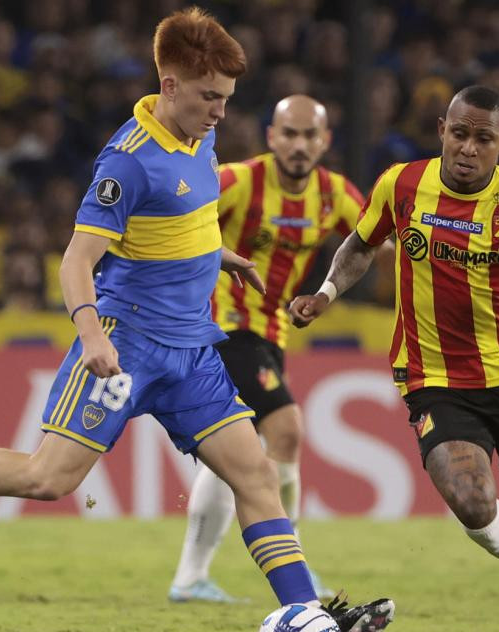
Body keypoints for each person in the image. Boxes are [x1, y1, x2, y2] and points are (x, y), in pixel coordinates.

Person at [0, 10, 393, 631]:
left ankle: (303, 613)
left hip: (192, 350)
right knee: (45, 477)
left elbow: (176, 224)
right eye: (210, 97)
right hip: (125, 344)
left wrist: (220, 255)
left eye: (226, 99)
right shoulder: (127, 163)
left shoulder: (200, 135)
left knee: (257, 473)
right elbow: (76, 262)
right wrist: (89, 337)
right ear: (170, 86)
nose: (220, 113)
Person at [290, 86, 499, 632]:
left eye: (483, 138)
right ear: (442, 129)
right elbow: (361, 244)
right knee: (471, 503)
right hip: (433, 378)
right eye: (459, 134)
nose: (468, 148)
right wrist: (325, 293)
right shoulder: (403, 184)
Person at [169, 94, 375, 603]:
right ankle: (294, 565)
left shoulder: (334, 195)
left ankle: (190, 578)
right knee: (286, 429)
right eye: (290, 133)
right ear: (271, 137)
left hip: (270, 336)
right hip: (222, 330)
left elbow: (378, 237)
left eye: (310, 136)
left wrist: (329, 290)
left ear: (325, 141)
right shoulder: (242, 181)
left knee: (234, 454)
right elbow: (178, 215)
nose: (300, 145)